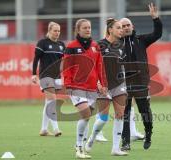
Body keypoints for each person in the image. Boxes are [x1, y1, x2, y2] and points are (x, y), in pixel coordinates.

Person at [62, 18, 107, 159]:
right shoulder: (71, 46)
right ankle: (79, 148)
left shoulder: (95, 46)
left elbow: (100, 66)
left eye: (89, 27)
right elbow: (66, 67)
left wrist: (103, 83)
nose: (88, 29)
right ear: (78, 30)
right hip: (76, 86)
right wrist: (68, 84)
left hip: (92, 87)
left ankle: (79, 144)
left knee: (86, 117)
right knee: (86, 114)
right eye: (85, 28)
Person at [120, 3, 162, 150]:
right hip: (124, 82)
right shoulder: (116, 44)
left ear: (132, 26)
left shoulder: (141, 40)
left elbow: (157, 34)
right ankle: (125, 142)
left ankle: (148, 133)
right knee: (124, 112)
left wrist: (155, 19)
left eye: (128, 25)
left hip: (141, 81)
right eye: (123, 26)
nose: (126, 27)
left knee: (144, 111)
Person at [84, 18, 128, 156]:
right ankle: (92, 138)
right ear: (110, 30)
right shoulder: (99, 45)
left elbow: (122, 66)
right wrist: (97, 83)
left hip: (118, 84)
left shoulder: (121, 45)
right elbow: (91, 66)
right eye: (118, 27)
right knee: (103, 118)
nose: (122, 30)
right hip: (103, 85)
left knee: (120, 115)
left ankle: (115, 148)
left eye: (122, 28)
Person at [32, 21, 65, 137]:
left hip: (57, 77)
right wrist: (33, 74)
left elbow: (63, 61)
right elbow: (36, 59)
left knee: (49, 102)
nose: (57, 33)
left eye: (59, 31)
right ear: (49, 31)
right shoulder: (42, 43)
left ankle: (44, 129)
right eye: (55, 30)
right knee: (53, 100)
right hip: (45, 76)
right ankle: (56, 129)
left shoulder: (61, 44)